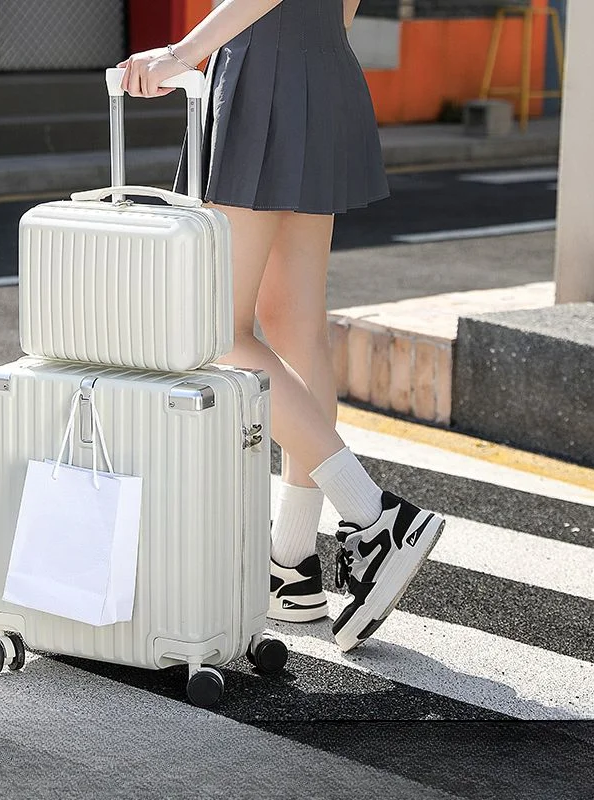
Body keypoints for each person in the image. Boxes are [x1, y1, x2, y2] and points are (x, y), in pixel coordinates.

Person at [117, 0, 445, 653]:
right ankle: (291, 568)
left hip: (263, 66)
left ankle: (373, 517)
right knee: (295, 326)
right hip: (319, 65)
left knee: (215, 326)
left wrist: (184, 53)